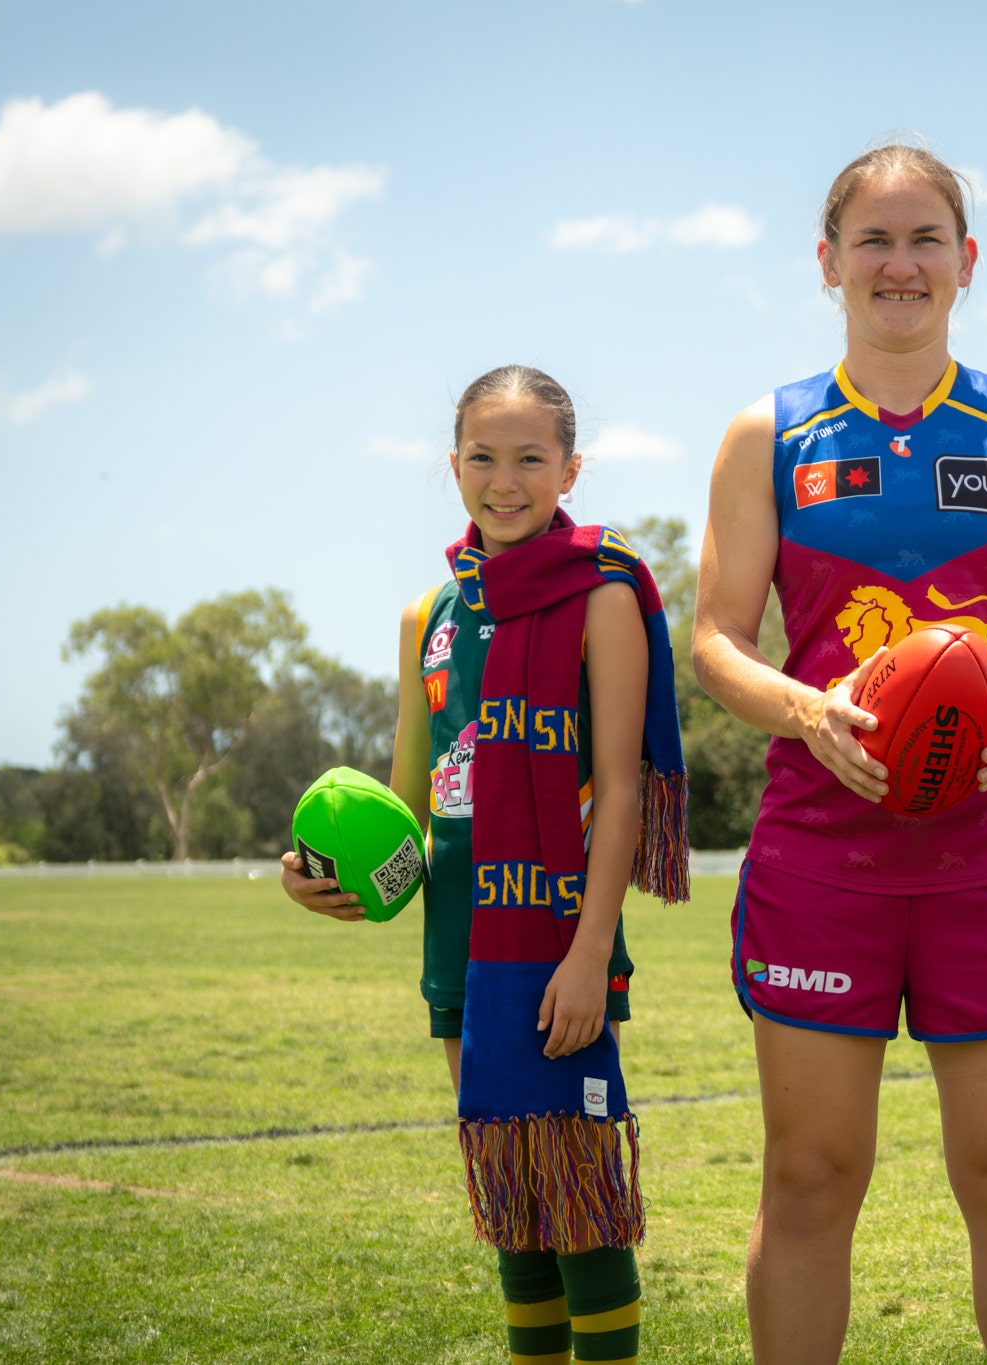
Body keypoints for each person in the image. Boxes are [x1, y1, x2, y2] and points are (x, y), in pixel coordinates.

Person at [692, 143, 987, 1365]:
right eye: (872, 241)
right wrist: (808, 712)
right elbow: (714, 638)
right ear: (826, 264)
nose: (899, 263)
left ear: (966, 263)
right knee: (811, 1179)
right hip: (821, 857)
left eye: (925, 238)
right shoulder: (763, 434)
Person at [280, 364, 688, 1365]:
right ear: (451, 464)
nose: (504, 481)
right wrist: (319, 872)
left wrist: (592, 954)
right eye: (482, 457)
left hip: (559, 940)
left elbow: (623, 791)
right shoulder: (429, 617)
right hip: (460, 947)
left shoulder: (601, 598)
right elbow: (413, 807)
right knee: (511, 1197)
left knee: (581, 1199)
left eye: (529, 459)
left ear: (570, 468)